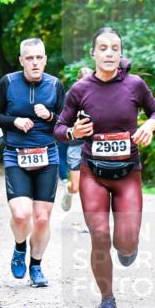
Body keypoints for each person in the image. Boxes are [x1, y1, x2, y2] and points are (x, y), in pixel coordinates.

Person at [54, 28, 155, 308]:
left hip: (128, 172)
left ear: (121, 53)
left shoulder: (135, 84)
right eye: (103, 48)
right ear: (93, 53)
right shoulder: (80, 90)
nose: (109, 53)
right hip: (94, 173)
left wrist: (149, 127)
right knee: (100, 236)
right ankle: (107, 301)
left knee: (124, 243)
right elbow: (59, 128)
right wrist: (73, 132)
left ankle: (128, 248)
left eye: (115, 48)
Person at [0, 38, 66, 288]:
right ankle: (20, 247)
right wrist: (15, 122)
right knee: (21, 214)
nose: (35, 62)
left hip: (47, 155)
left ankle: (36, 266)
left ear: (45, 59)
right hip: (16, 153)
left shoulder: (55, 85)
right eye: (29, 58)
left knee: (42, 218)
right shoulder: (8, 83)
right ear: (21, 60)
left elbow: (66, 123)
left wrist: (51, 115)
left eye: (39, 57)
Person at [58, 66, 95, 212]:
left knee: (93, 186)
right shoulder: (69, 97)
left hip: (95, 144)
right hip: (76, 144)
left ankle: (91, 221)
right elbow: (62, 121)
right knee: (76, 186)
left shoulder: (99, 94)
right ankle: (69, 191)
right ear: (78, 81)